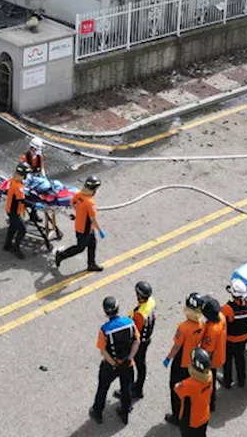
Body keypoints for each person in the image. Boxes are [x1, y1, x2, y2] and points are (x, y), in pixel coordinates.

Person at [91, 296, 138, 425]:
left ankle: (98, 412)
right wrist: (129, 358)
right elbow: (136, 341)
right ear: (118, 308)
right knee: (126, 388)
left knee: (103, 388)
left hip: (110, 366)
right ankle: (125, 411)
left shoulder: (105, 330)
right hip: (128, 364)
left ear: (105, 311)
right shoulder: (129, 323)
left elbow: (103, 350)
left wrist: (114, 364)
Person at [164, 293, 206, 422]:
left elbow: (177, 346)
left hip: (181, 363)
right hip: (193, 362)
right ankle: (187, 410)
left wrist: (168, 358)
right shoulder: (202, 324)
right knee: (189, 389)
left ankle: (177, 416)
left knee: (176, 388)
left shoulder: (183, 327)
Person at [55, 175, 102, 273]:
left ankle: (91, 264)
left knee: (92, 244)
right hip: (86, 230)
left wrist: (79, 211)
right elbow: (93, 219)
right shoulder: (90, 203)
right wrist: (100, 230)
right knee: (80, 248)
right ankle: (61, 255)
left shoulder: (79, 194)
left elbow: (72, 203)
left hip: (79, 226)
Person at [172, 347, 214, 437]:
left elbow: (176, 388)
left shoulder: (189, 384)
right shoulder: (210, 376)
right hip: (205, 416)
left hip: (190, 421)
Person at [220, 279, 247, 390]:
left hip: (230, 339)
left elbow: (220, 321)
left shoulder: (227, 308)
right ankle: (241, 380)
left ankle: (227, 381)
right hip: (243, 338)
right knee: (240, 359)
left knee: (227, 361)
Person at [128, 281, 156, 402]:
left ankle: (136, 390)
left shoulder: (139, 314)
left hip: (140, 342)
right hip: (147, 337)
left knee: (138, 364)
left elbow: (135, 332)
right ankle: (137, 387)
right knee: (141, 364)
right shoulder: (151, 302)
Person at [200, 296, 226, 409]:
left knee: (209, 382)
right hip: (220, 353)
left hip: (212, 360)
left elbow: (207, 351)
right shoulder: (222, 317)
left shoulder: (211, 329)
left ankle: (210, 404)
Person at [3, 162, 29, 260]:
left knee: (13, 227)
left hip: (10, 210)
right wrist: (33, 205)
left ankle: (7, 245)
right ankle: (16, 248)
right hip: (14, 212)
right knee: (23, 229)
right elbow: (22, 200)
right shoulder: (18, 186)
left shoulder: (13, 181)